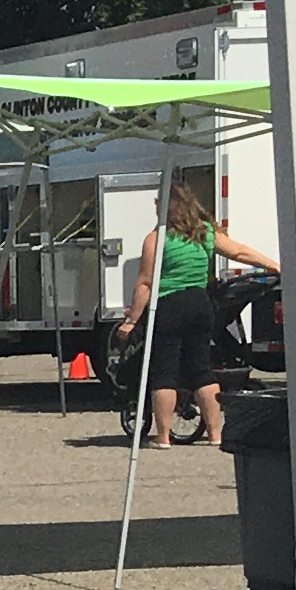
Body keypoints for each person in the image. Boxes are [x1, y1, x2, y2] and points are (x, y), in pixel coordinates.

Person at [117, 184, 275, 446]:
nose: (155, 206)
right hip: (200, 304)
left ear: (166, 206)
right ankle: (215, 434)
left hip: (169, 305)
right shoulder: (204, 233)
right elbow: (239, 251)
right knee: (202, 369)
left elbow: (145, 283)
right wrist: (275, 266)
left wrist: (131, 320)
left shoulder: (157, 238)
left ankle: (164, 436)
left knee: (165, 371)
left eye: (158, 202)